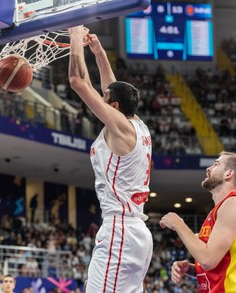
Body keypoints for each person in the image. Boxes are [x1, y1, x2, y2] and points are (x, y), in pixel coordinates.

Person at [68, 26, 153, 292]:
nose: (101, 100)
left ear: (114, 107)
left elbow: (78, 82)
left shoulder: (120, 125)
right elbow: (111, 89)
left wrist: (74, 36)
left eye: (105, 100)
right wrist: (99, 53)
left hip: (121, 229)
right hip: (136, 231)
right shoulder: (137, 124)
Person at [160, 151, 236, 293]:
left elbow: (208, 260)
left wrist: (179, 225)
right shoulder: (219, 209)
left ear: (228, 174)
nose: (208, 169)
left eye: (216, 164)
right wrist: (191, 269)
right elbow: (217, 265)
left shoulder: (233, 204)